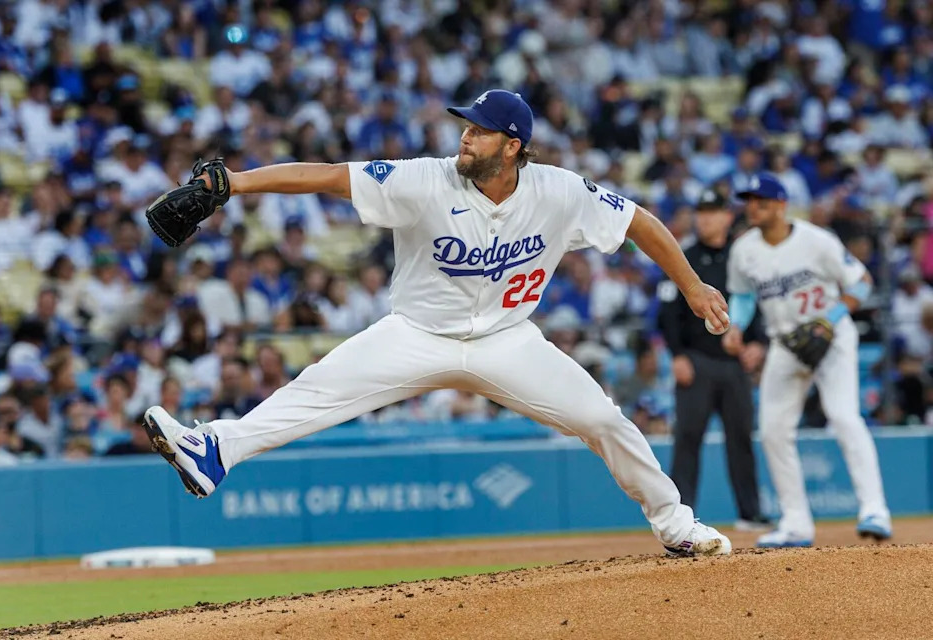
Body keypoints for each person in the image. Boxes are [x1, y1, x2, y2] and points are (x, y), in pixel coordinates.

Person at [143, 89, 734, 557]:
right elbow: (326, 175)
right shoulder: (425, 178)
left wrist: (692, 285)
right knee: (314, 390)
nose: (464, 136)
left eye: (477, 129)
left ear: (512, 145)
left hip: (507, 341)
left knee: (603, 417)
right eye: (465, 126)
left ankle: (676, 524)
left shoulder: (559, 190)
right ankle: (214, 449)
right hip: (416, 335)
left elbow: (639, 222)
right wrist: (233, 186)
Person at [722, 172, 891, 547]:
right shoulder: (744, 249)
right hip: (784, 343)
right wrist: (735, 326)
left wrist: (827, 320)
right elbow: (745, 297)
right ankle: (796, 523)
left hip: (832, 339)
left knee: (844, 417)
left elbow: (861, 283)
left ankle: (874, 509)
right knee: (773, 430)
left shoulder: (817, 241)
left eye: (761, 201)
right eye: (748, 200)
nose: (753, 207)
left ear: (781, 205)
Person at [658, 189, 769, 532]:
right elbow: (667, 314)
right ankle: (681, 519)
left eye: (712, 212)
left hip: (734, 364)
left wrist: (760, 344)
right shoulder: (683, 258)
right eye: (700, 212)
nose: (705, 218)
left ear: (726, 216)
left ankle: (750, 513)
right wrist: (677, 356)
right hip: (697, 360)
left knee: (741, 438)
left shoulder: (743, 258)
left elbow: (762, 305)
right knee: (688, 439)